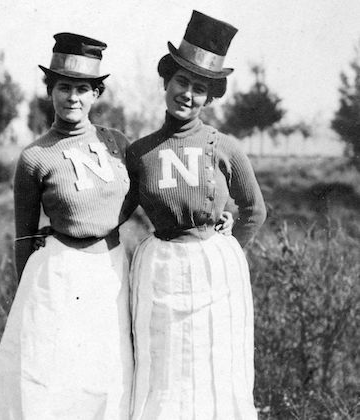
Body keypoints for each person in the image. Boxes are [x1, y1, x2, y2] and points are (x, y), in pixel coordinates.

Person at [0, 33, 134, 420]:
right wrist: (29, 298)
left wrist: (219, 215)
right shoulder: (34, 157)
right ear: (51, 91)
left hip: (112, 270)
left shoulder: (117, 143)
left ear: (96, 94)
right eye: (64, 87)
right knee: (52, 380)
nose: (73, 98)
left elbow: (148, 197)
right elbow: (24, 235)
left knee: (107, 377)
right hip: (58, 277)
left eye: (83, 88)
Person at [126, 10, 267, 420]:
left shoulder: (224, 146)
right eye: (182, 82)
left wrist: (228, 246)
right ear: (166, 83)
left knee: (214, 368)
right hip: (161, 268)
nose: (187, 94)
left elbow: (254, 210)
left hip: (214, 271)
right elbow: (118, 210)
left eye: (199, 88)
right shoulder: (140, 152)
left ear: (209, 97)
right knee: (164, 370)